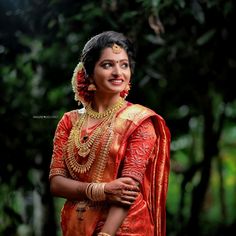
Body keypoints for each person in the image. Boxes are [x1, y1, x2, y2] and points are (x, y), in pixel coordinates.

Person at [49, 30, 171, 236]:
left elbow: (127, 192)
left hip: (124, 228)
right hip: (76, 226)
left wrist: (106, 234)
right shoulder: (69, 121)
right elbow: (56, 183)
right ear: (88, 72)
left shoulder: (138, 120)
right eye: (107, 65)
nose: (118, 72)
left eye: (124, 65)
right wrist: (102, 190)